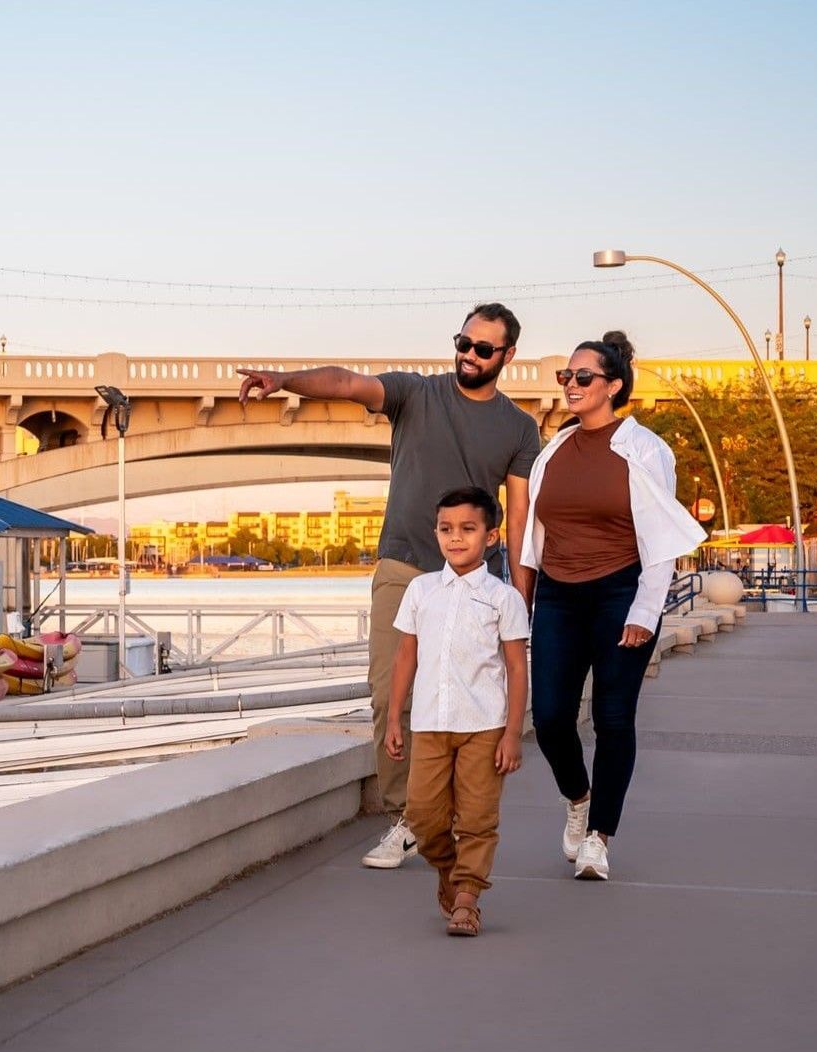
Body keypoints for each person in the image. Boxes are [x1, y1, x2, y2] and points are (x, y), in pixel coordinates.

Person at [238, 302, 541, 869]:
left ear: (507, 356)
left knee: (467, 702)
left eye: (482, 348)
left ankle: (452, 816)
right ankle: (406, 817)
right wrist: (285, 381)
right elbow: (347, 383)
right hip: (403, 568)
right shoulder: (415, 394)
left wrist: (520, 597)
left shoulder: (520, 428)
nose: (468, 355)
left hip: (476, 581)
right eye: (463, 342)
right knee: (389, 695)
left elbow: (519, 518)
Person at [521, 331, 705, 881]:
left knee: (612, 717)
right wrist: (520, 600)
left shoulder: (645, 448)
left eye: (582, 378)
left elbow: (658, 539)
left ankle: (599, 836)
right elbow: (534, 532)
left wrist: (644, 613)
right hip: (557, 592)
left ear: (613, 385)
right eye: (565, 378)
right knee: (551, 717)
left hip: (619, 591)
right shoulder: (553, 448)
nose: (570, 386)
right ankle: (578, 797)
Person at [383, 486, 529, 936]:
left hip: (484, 725)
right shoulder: (421, 590)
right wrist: (394, 717)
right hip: (429, 724)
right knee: (424, 819)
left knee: (478, 817)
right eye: (447, 529)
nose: (455, 538)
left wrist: (512, 734)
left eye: (468, 529)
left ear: (490, 536)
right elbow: (406, 655)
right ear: (436, 534)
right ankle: (449, 871)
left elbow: (516, 667)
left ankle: (467, 898)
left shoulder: (504, 598)